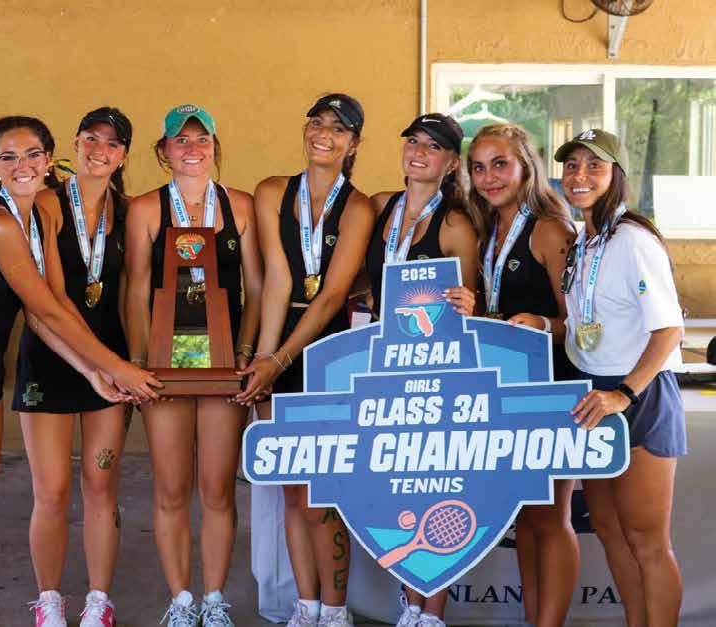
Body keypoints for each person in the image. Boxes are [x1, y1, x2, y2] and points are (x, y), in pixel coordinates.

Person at [0, 115, 160, 627]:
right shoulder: (0, 223)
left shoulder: (34, 219)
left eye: (31, 155)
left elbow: (43, 313)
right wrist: (118, 368)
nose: (21, 165)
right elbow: (48, 310)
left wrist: (90, 372)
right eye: (8, 157)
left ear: (49, 161)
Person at [236, 94, 375, 627]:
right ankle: (306, 605)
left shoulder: (358, 208)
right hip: (280, 341)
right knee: (292, 489)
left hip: (329, 348)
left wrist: (281, 358)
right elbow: (278, 277)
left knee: (323, 492)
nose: (324, 134)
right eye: (317, 123)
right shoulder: (272, 191)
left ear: (353, 145)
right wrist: (265, 359)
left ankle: (336, 610)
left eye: (338, 129)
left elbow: (333, 294)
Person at [124, 104, 263, 627]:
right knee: (171, 488)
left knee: (217, 489)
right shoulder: (146, 209)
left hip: (223, 366)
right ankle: (181, 600)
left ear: (214, 146)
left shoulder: (240, 206)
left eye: (201, 139)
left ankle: (214, 598)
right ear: (164, 150)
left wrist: (244, 355)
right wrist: (141, 363)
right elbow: (136, 292)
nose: (191, 148)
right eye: (180, 140)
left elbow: (256, 286)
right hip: (166, 366)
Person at [557, 129, 686, 627]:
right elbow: (587, 323)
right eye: (572, 165)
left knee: (647, 542)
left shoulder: (633, 239)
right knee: (610, 531)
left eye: (595, 166)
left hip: (637, 393)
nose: (580, 175)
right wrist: (545, 324)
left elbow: (669, 331)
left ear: (617, 175)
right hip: (595, 392)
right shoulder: (584, 241)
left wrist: (624, 394)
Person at [12, 108, 136, 627]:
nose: (99, 150)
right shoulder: (46, 203)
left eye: (111, 143)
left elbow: (135, 293)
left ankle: (99, 602)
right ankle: (49, 602)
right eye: (90, 138)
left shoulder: (129, 212)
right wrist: (94, 365)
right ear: (76, 142)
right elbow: (48, 300)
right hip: (52, 358)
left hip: (111, 363)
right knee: (51, 491)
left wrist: (131, 363)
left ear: (123, 156)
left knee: (101, 485)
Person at [367, 114, 480, 627]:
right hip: (384, 369)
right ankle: (409, 605)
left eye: (432, 147)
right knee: (399, 487)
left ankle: (430, 611)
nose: (418, 152)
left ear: (452, 163)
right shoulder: (381, 207)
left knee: (436, 486)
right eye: (412, 141)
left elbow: (471, 307)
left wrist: (467, 303)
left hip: (436, 377)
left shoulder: (454, 224)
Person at [467, 123, 578, 627]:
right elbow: (501, 318)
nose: (488, 177)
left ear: (526, 167)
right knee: (529, 520)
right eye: (478, 167)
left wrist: (544, 324)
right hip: (508, 392)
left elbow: (583, 324)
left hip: (552, 391)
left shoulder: (549, 230)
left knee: (551, 519)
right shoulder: (486, 231)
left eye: (500, 164)